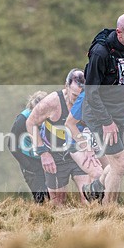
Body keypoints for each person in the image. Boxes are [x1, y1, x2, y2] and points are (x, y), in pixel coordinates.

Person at [81, 11, 124, 204]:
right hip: (100, 113)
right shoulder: (100, 53)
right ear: (119, 33)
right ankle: (108, 212)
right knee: (119, 165)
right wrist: (107, 122)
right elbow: (91, 92)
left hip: (123, 110)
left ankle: (95, 187)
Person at [25, 69, 99, 204]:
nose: (79, 100)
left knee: (87, 197)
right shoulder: (51, 102)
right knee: (57, 201)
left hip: (78, 151)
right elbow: (30, 123)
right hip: (55, 155)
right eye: (75, 95)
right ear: (66, 86)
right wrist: (43, 153)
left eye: (83, 96)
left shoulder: (90, 102)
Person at [8, 90, 50, 204]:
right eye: (36, 112)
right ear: (32, 109)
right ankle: (40, 217)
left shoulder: (53, 115)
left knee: (54, 196)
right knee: (42, 197)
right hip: (31, 161)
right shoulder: (22, 120)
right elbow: (11, 144)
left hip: (49, 159)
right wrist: (28, 165)